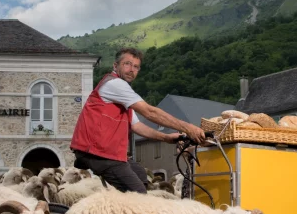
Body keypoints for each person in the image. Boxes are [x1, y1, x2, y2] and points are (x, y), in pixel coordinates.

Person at [70, 47, 207, 193]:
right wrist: (189, 128)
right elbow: (150, 112)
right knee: (138, 193)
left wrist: (166, 137)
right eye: (127, 64)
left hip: (108, 153)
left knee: (141, 174)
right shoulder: (115, 84)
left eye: (136, 67)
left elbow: (137, 126)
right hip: (99, 153)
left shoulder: (123, 96)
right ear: (115, 66)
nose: (131, 69)